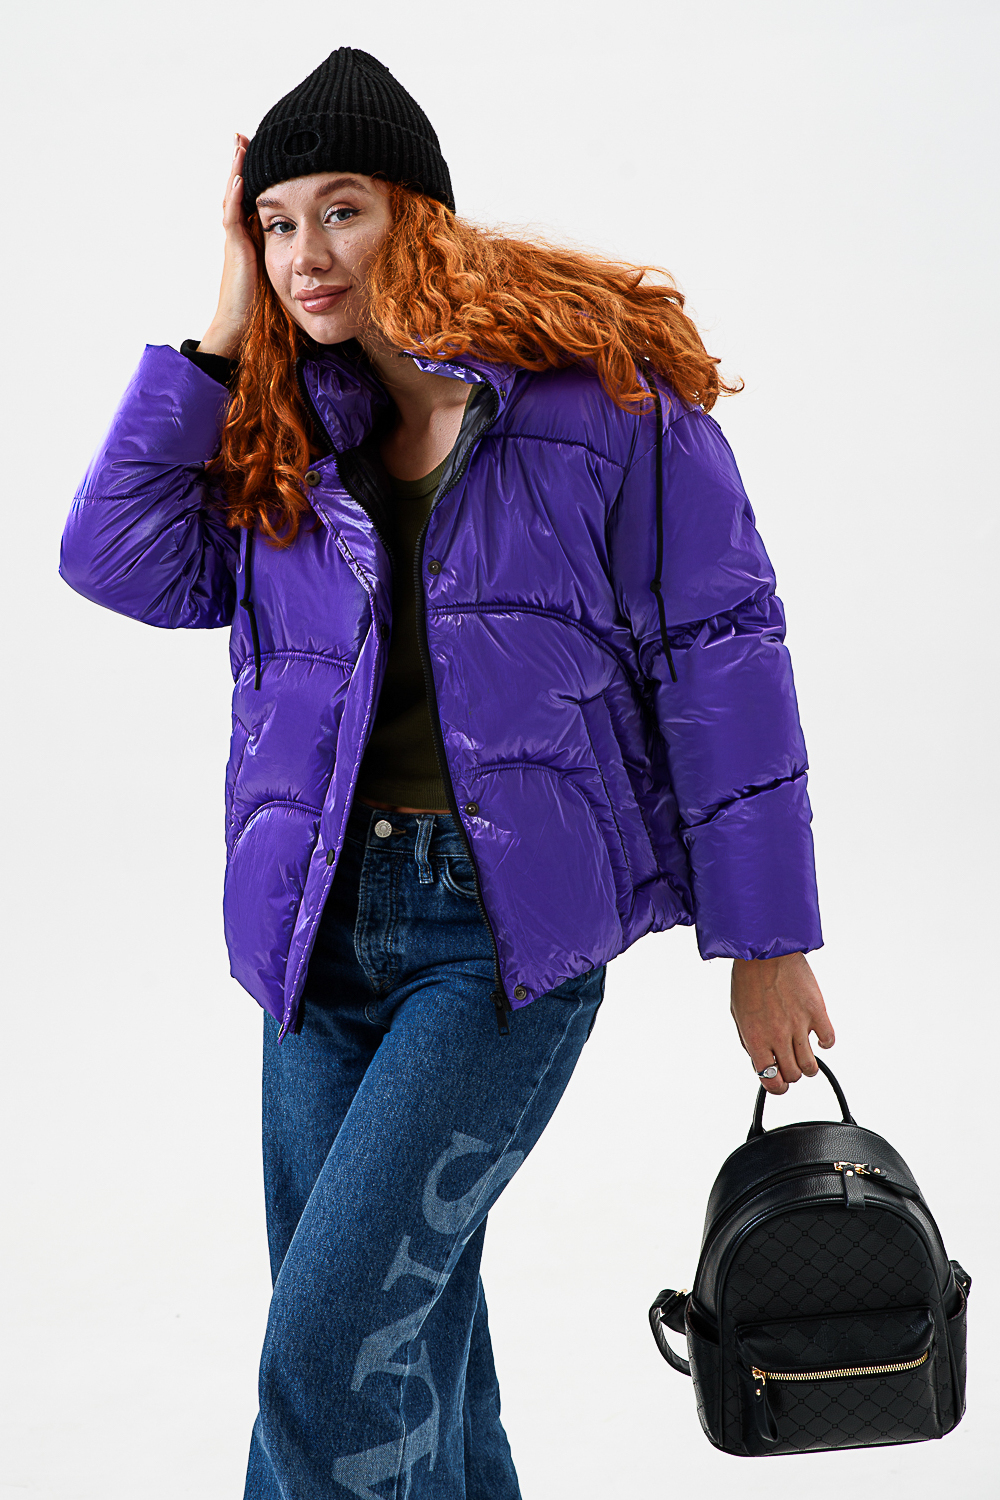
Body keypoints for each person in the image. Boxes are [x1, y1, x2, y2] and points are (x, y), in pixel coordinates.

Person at [60, 45, 834, 1500]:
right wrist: (222, 321)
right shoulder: (293, 437)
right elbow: (114, 557)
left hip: (497, 944)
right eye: (275, 222)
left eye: (340, 210)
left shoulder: (604, 409)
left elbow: (725, 663)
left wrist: (768, 940)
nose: (305, 253)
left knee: (328, 1353)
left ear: (417, 216)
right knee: (409, 1334)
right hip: (314, 936)